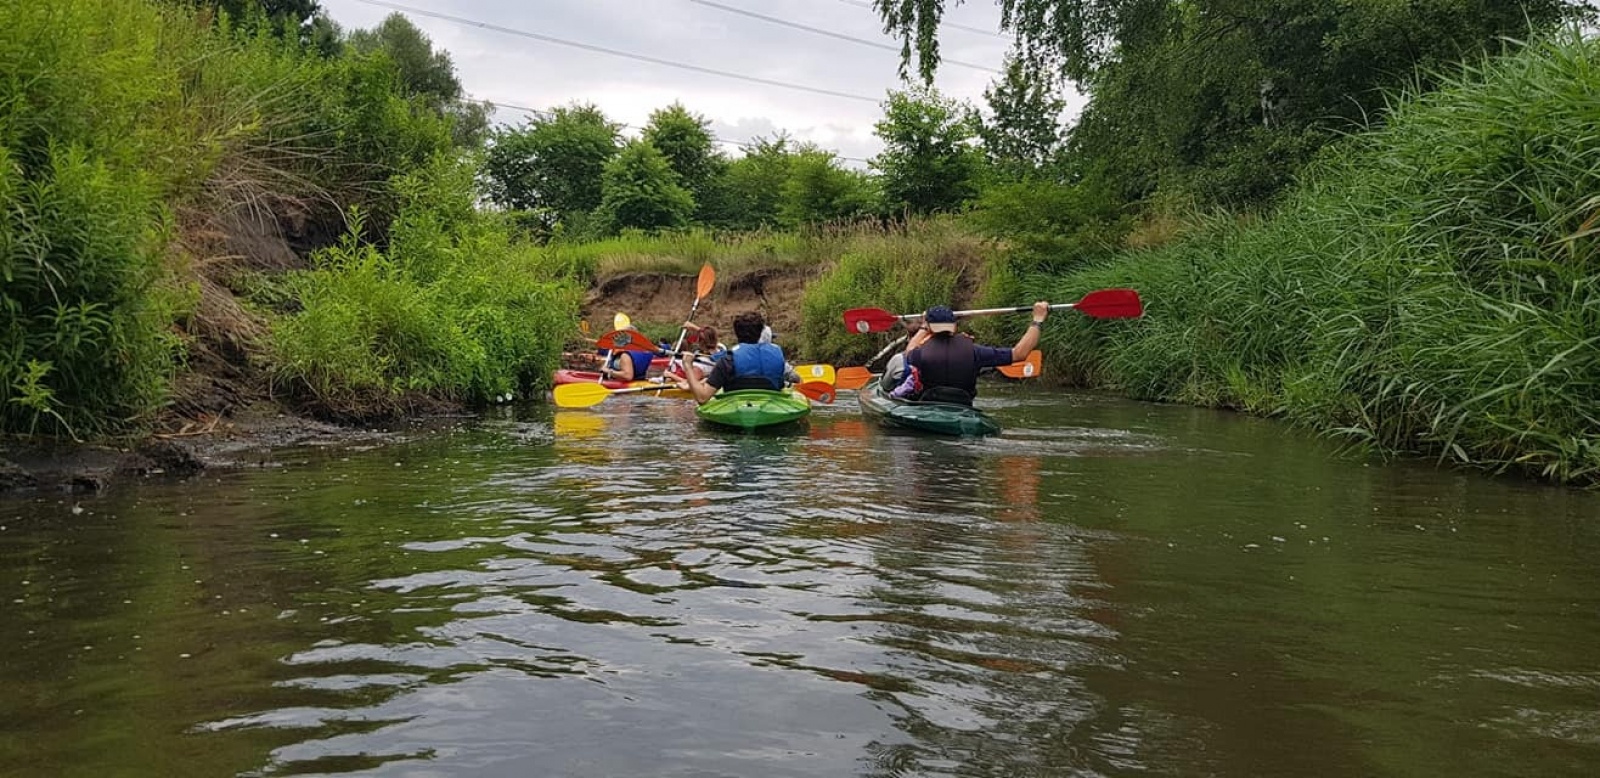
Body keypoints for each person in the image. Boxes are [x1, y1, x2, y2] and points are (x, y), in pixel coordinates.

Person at [888, 301, 1050, 405]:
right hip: (962, 406)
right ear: (954, 326)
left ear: (929, 328)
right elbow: (1019, 354)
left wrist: (923, 326)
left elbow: (909, 350)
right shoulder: (975, 351)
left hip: (929, 404)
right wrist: (1037, 320)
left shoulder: (919, 354)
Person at [675, 311, 787, 404]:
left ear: (736, 333)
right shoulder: (777, 353)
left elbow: (702, 398)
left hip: (736, 404)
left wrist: (687, 365)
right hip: (770, 402)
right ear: (760, 332)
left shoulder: (728, 360)